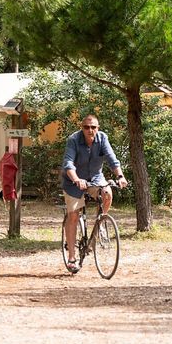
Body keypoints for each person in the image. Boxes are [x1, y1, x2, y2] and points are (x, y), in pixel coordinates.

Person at [61, 114, 127, 273]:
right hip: (74, 181)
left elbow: (112, 159)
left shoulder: (102, 138)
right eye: (86, 127)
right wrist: (77, 179)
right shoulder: (74, 140)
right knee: (74, 215)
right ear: (82, 128)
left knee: (107, 193)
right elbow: (68, 163)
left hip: (95, 178)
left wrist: (120, 176)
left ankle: (100, 223)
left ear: (98, 128)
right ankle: (71, 257)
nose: (90, 130)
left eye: (93, 127)